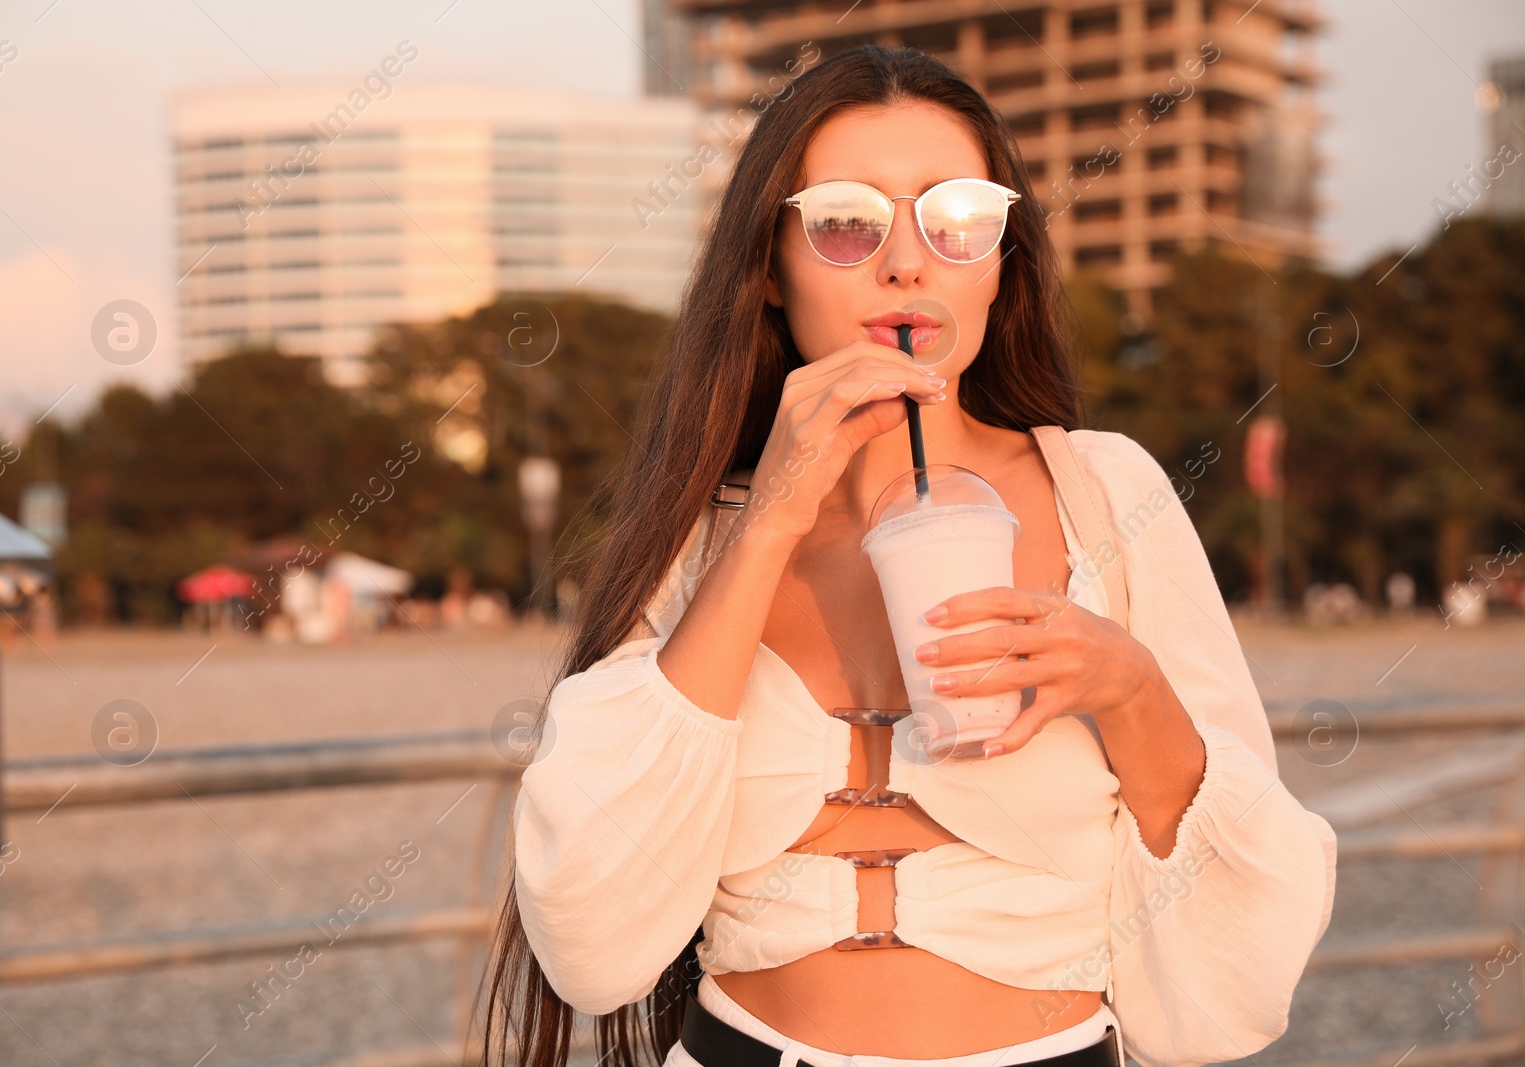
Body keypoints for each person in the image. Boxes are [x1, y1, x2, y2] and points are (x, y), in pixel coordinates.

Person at [482, 45, 1337, 1067]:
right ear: (767, 264)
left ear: (1000, 260)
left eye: (959, 219)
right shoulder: (697, 530)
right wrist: (770, 520)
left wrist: (1129, 689)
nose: (907, 262)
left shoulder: (1107, 496)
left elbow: (1245, 963)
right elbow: (590, 933)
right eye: (844, 221)